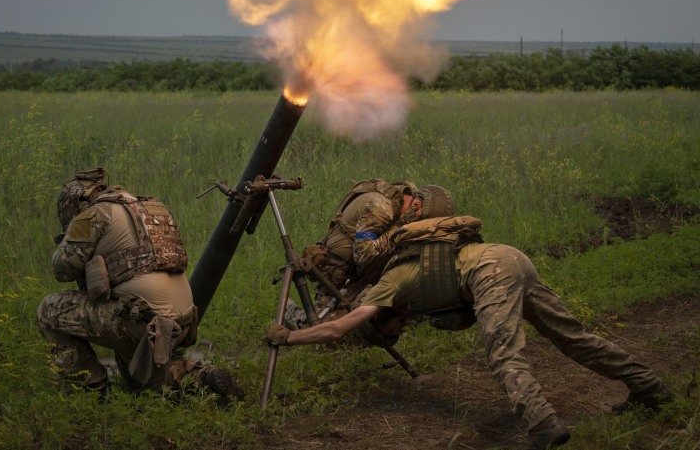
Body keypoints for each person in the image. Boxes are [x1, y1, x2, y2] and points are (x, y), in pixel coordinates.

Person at [267, 185, 672, 449]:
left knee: (502, 352)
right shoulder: (427, 256)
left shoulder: (391, 282)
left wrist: (286, 337)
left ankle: (542, 425)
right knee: (571, 336)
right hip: (510, 256)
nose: (399, 328)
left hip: (490, 273)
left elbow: (339, 328)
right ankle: (649, 386)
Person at [37, 168, 243, 403]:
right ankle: (202, 377)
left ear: (75, 203)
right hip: (181, 319)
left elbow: (62, 269)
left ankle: (89, 391)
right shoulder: (148, 207)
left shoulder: (93, 214)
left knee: (48, 310)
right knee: (142, 385)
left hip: (139, 320)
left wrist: (68, 236)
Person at [285, 178, 423, 328]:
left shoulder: (406, 197)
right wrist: (400, 229)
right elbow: (363, 254)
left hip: (362, 269)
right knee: (320, 328)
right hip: (339, 269)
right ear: (415, 205)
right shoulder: (381, 207)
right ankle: (289, 311)